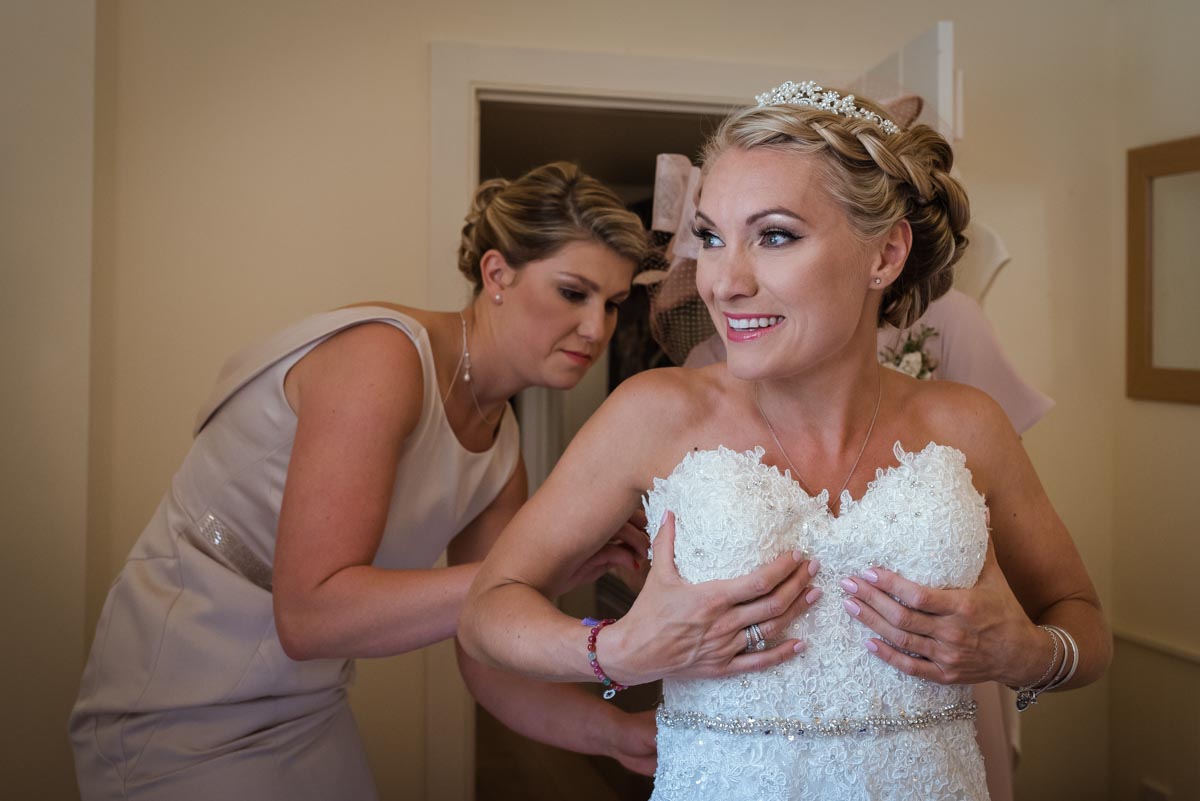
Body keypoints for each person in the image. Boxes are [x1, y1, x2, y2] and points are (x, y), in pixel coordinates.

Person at [459, 83, 1111, 800]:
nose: (723, 282)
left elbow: (1083, 623)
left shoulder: (968, 425)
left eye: (773, 236)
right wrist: (616, 649)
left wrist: (1028, 653)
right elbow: (489, 608)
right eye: (712, 238)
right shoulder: (656, 414)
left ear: (886, 253)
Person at [70, 162, 667, 800]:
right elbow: (311, 615)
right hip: (179, 698)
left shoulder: (501, 447)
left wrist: (613, 733)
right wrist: (542, 561)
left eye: (612, 304)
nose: (597, 329)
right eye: (573, 293)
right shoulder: (382, 359)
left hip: (307, 707)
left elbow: (488, 652)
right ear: (497, 274)